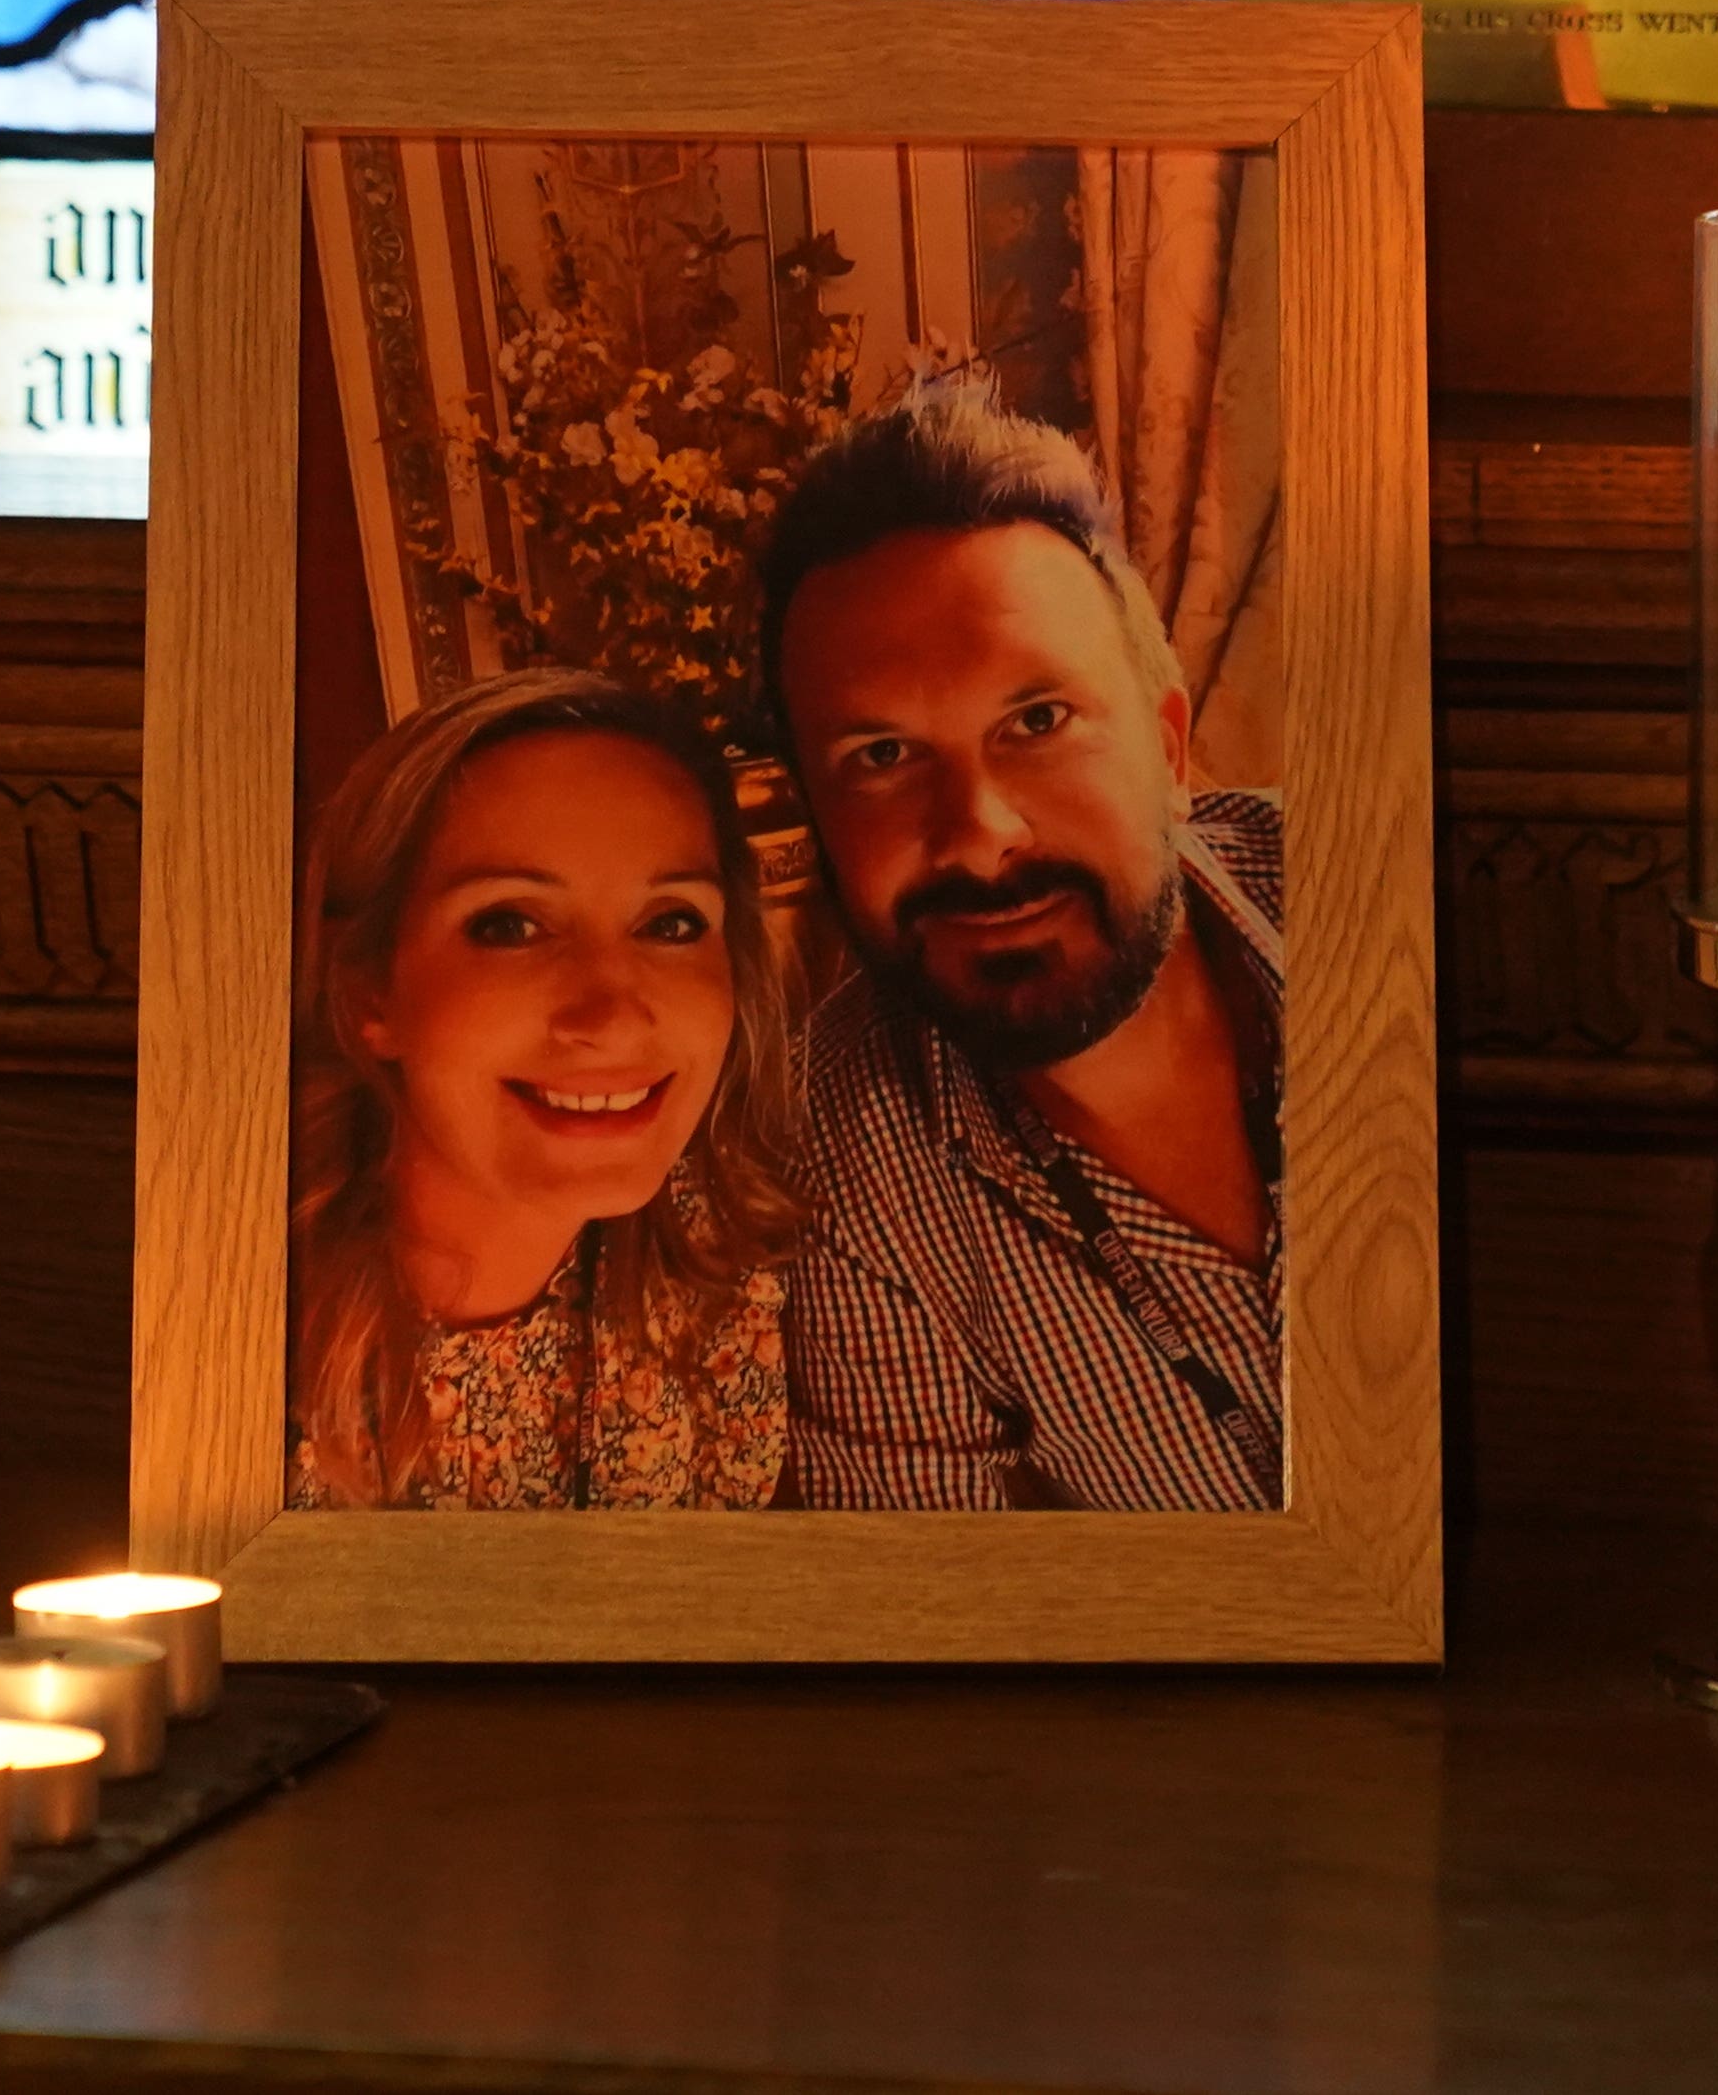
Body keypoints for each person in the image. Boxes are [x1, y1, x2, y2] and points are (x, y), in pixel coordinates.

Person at [759, 386, 1284, 1510]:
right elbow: (943, 1634)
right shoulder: (846, 1182)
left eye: (1036, 721)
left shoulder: (1373, 906)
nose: (979, 833)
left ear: (1168, 745)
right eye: (883, 754)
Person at [288, 665, 796, 1509]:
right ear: (369, 990)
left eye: (670, 923)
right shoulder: (236, 1324)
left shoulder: (718, 1263)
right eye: (510, 925)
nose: (614, 1016)